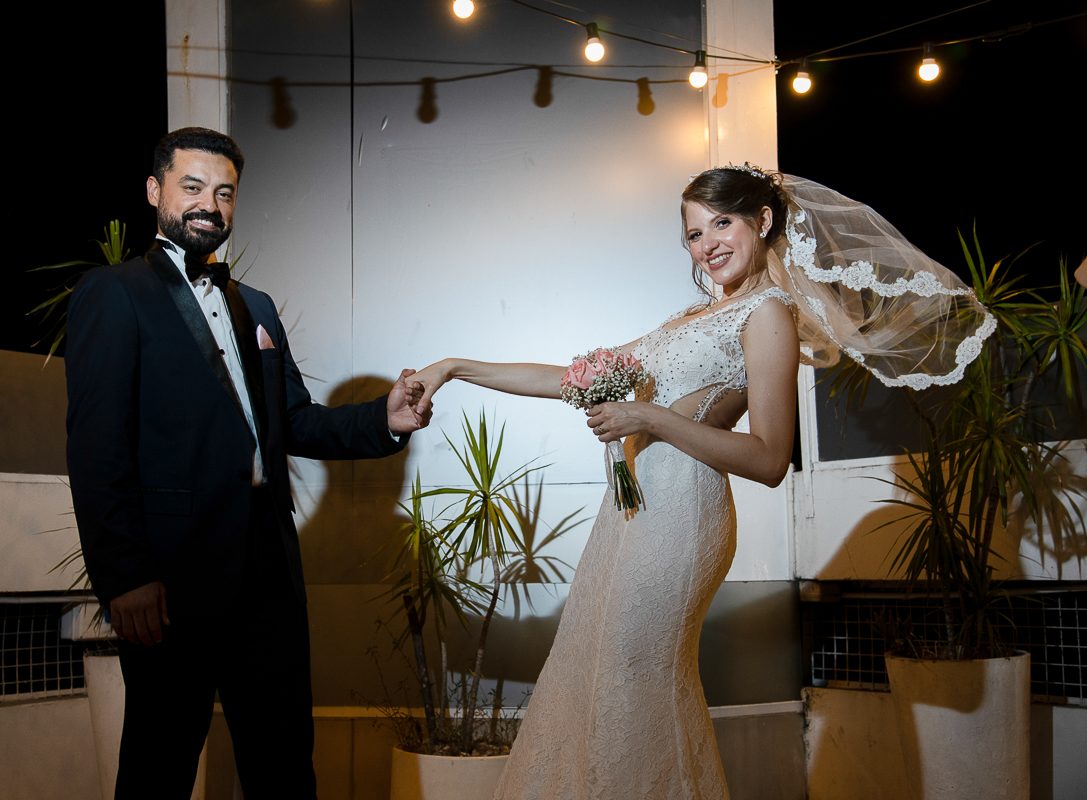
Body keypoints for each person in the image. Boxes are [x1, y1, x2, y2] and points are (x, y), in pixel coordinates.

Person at [404, 165, 993, 799]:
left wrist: (645, 416)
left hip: (683, 519)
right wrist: (454, 366)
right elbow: (568, 377)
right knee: (601, 677)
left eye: (721, 223)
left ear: (762, 221)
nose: (707, 243)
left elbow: (770, 459)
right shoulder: (691, 317)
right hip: (630, 519)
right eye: (692, 234)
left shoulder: (768, 315)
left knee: (637, 681)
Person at [65, 127, 431, 800]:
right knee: (158, 765)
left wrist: (384, 419)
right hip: (169, 585)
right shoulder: (112, 294)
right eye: (193, 187)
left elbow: (294, 421)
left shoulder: (255, 306)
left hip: (268, 576)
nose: (211, 204)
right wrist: (126, 576)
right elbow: (96, 448)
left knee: (285, 764)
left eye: (225, 192)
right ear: (155, 192)